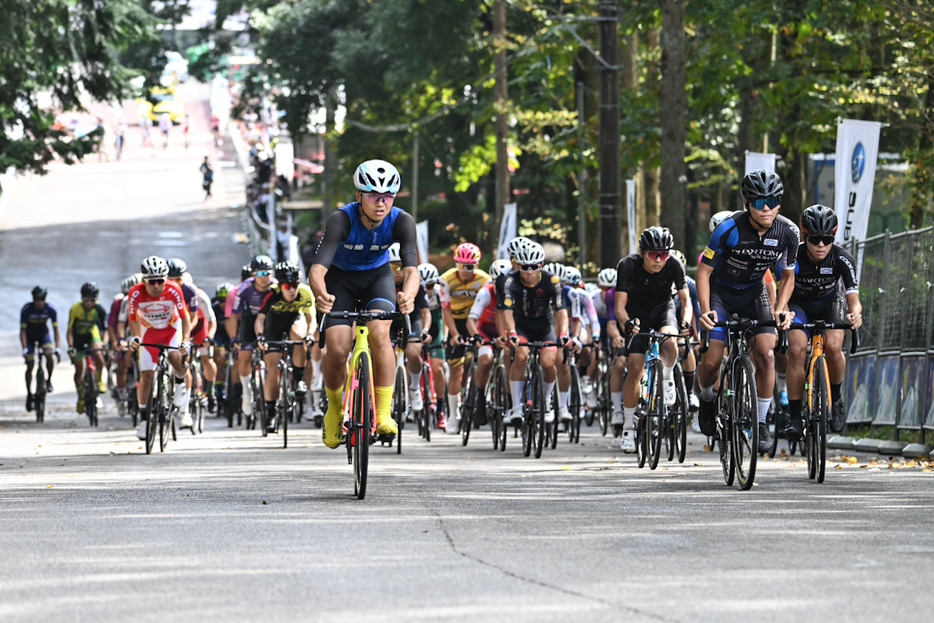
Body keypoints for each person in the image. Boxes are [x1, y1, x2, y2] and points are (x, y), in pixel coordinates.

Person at [309, 159, 419, 448]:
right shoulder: (341, 219)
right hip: (339, 282)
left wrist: (407, 295)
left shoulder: (402, 221)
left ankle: (383, 414)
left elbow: (411, 271)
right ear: (359, 195)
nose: (380, 203)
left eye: (388, 196)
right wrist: (321, 295)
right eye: (372, 195)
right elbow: (318, 271)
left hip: (377, 278)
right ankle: (334, 410)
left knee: (381, 333)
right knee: (337, 346)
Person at [696, 169, 798, 454]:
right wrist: (705, 310)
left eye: (773, 200)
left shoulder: (788, 232)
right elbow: (703, 272)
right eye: (758, 201)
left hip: (754, 294)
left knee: (766, 354)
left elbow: (788, 277)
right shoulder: (728, 228)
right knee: (714, 357)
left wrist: (779, 308)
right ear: (746, 203)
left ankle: (761, 421)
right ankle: (706, 397)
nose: (766, 207)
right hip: (721, 294)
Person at [785, 205, 863, 438]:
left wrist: (855, 313)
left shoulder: (841, 258)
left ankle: (836, 399)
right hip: (799, 306)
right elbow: (782, 290)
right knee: (797, 350)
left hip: (830, 304)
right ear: (805, 236)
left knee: (833, 347)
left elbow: (853, 298)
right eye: (816, 239)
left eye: (826, 239)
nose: (821, 245)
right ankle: (795, 415)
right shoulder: (793, 255)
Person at [614, 227, 692, 452]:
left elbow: (685, 301)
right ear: (642, 252)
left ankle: (667, 379)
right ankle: (629, 428)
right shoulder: (627, 265)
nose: (659, 260)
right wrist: (627, 323)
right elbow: (619, 307)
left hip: (662, 310)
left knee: (670, 339)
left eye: (664, 254)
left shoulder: (675, 264)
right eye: (653, 254)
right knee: (635, 367)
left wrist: (685, 322)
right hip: (636, 314)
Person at [123, 256, 191, 440]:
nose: (156, 286)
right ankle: (144, 421)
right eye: (151, 281)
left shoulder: (173, 289)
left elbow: (185, 318)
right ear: (144, 280)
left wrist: (185, 340)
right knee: (146, 375)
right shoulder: (135, 293)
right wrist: (136, 337)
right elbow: (132, 319)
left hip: (171, 329)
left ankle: (180, 384)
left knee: (176, 357)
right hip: (149, 331)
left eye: (160, 280)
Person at [501, 242, 569, 425]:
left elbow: (561, 311)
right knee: (521, 356)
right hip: (521, 324)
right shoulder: (509, 281)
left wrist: (562, 333)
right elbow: (506, 312)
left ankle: (546, 402)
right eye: (524, 267)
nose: (529, 271)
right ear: (518, 266)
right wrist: (512, 332)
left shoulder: (553, 281)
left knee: (548, 363)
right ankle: (515, 407)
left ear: (542, 266)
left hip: (544, 325)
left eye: (534, 267)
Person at [255, 261, 315, 432]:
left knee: (299, 337)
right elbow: (260, 319)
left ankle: (298, 380)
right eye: (287, 286)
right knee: (272, 370)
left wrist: (310, 334)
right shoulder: (271, 293)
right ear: (280, 285)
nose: (292, 290)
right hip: (273, 325)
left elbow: (311, 318)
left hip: (294, 321)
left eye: (295, 285)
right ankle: (271, 413)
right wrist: (260, 336)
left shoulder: (305, 292)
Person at [438, 242, 491, 433]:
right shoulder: (446, 280)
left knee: (484, 359)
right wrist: (454, 335)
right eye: (461, 266)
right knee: (456, 369)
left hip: (476, 322)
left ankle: (482, 397)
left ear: (476, 265)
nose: (466, 270)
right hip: (456, 322)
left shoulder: (485, 280)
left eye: (470, 267)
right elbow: (446, 311)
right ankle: (453, 416)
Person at [229, 255, 276, 421]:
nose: (263, 278)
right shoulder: (244, 289)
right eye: (259, 274)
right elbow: (234, 316)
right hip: (249, 323)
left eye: (266, 273)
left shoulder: (276, 287)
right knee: (245, 356)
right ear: (253, 275)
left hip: (271, 322)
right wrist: (234, 338)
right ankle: (246, 391)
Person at [67, 283, 108, 414]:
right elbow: (69, 331)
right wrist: (71, 346)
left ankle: (100, 381)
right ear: (81, 299)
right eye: (86, 301)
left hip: (92, 335)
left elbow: (106, 330)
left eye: (92, 301)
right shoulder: (75, 309)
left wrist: (104, 344)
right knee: (79, 367)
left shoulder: (100, 310)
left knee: (98, 353)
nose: (89, 304)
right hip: (78, 338)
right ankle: (80, 398)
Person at [418, 262, 450, 428]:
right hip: (419, 327)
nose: (428, 289)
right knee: (412, 360)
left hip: (436, 328)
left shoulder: (439, 293)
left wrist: (444, 337)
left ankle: (440, 407)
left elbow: (445, 317)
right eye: (424, 285)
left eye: (430, 285)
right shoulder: (415, 292)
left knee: (437, 368)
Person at [21, 287, 61, 411]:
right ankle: (29, 393)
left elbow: (56, 330)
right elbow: (22, 331)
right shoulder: (27, 309)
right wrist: (24, 349)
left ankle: (48, 380)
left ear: (45, 299)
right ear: (33, 299)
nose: (39, 302)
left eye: (42, 299)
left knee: (49, 355)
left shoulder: (50, 310)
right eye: (37, 300)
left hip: (43, 335)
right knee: (30, 365)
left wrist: (58, 347)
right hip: (30, 337)